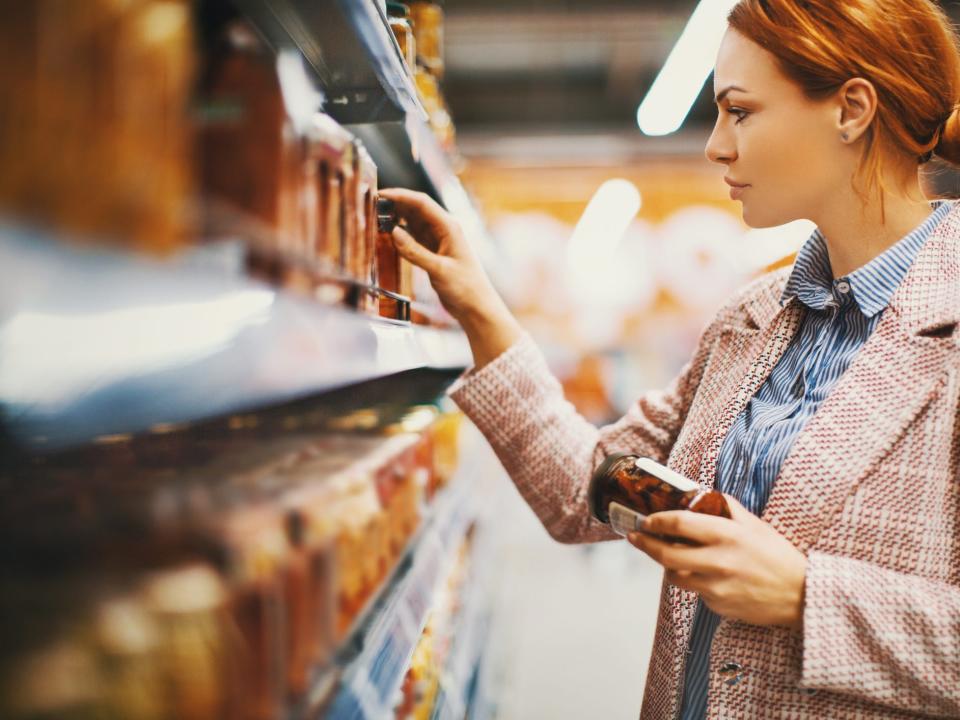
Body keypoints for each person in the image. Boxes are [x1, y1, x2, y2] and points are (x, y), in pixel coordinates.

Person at [380, 0, 960, 716]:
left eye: (739, 112)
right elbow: (585, 493)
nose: (716, 146)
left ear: (852, 109)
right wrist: (478, 308)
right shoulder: (750, 320)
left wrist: (808, 597)